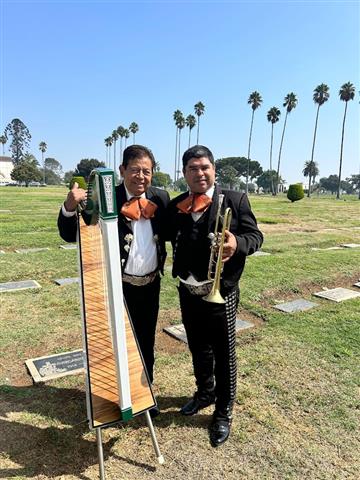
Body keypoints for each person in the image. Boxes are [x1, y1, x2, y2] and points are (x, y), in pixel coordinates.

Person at [58, 145, 170, 417]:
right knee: (116, 341)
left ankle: (145, 393)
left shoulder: (161, 198)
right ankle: (117, 393)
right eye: (135, 170)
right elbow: (69, 234)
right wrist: (71, 205)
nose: (141, 176)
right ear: (122, 170)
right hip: (117, 287)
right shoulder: (107, 196)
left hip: (151, 284)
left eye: (147, 171)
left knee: (146, 340)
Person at [166, 145, 263, 446]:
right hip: (188, 289)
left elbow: (256, 236)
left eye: (204, 167)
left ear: (214, 170)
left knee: (224, 351)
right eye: (193, 168)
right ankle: (205, 392)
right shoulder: (178, 204)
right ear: (184, 174)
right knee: (197, 346)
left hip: (222, 291)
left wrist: (238, 243)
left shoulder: (235, 200)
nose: (200, 173)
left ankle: (224, 410)